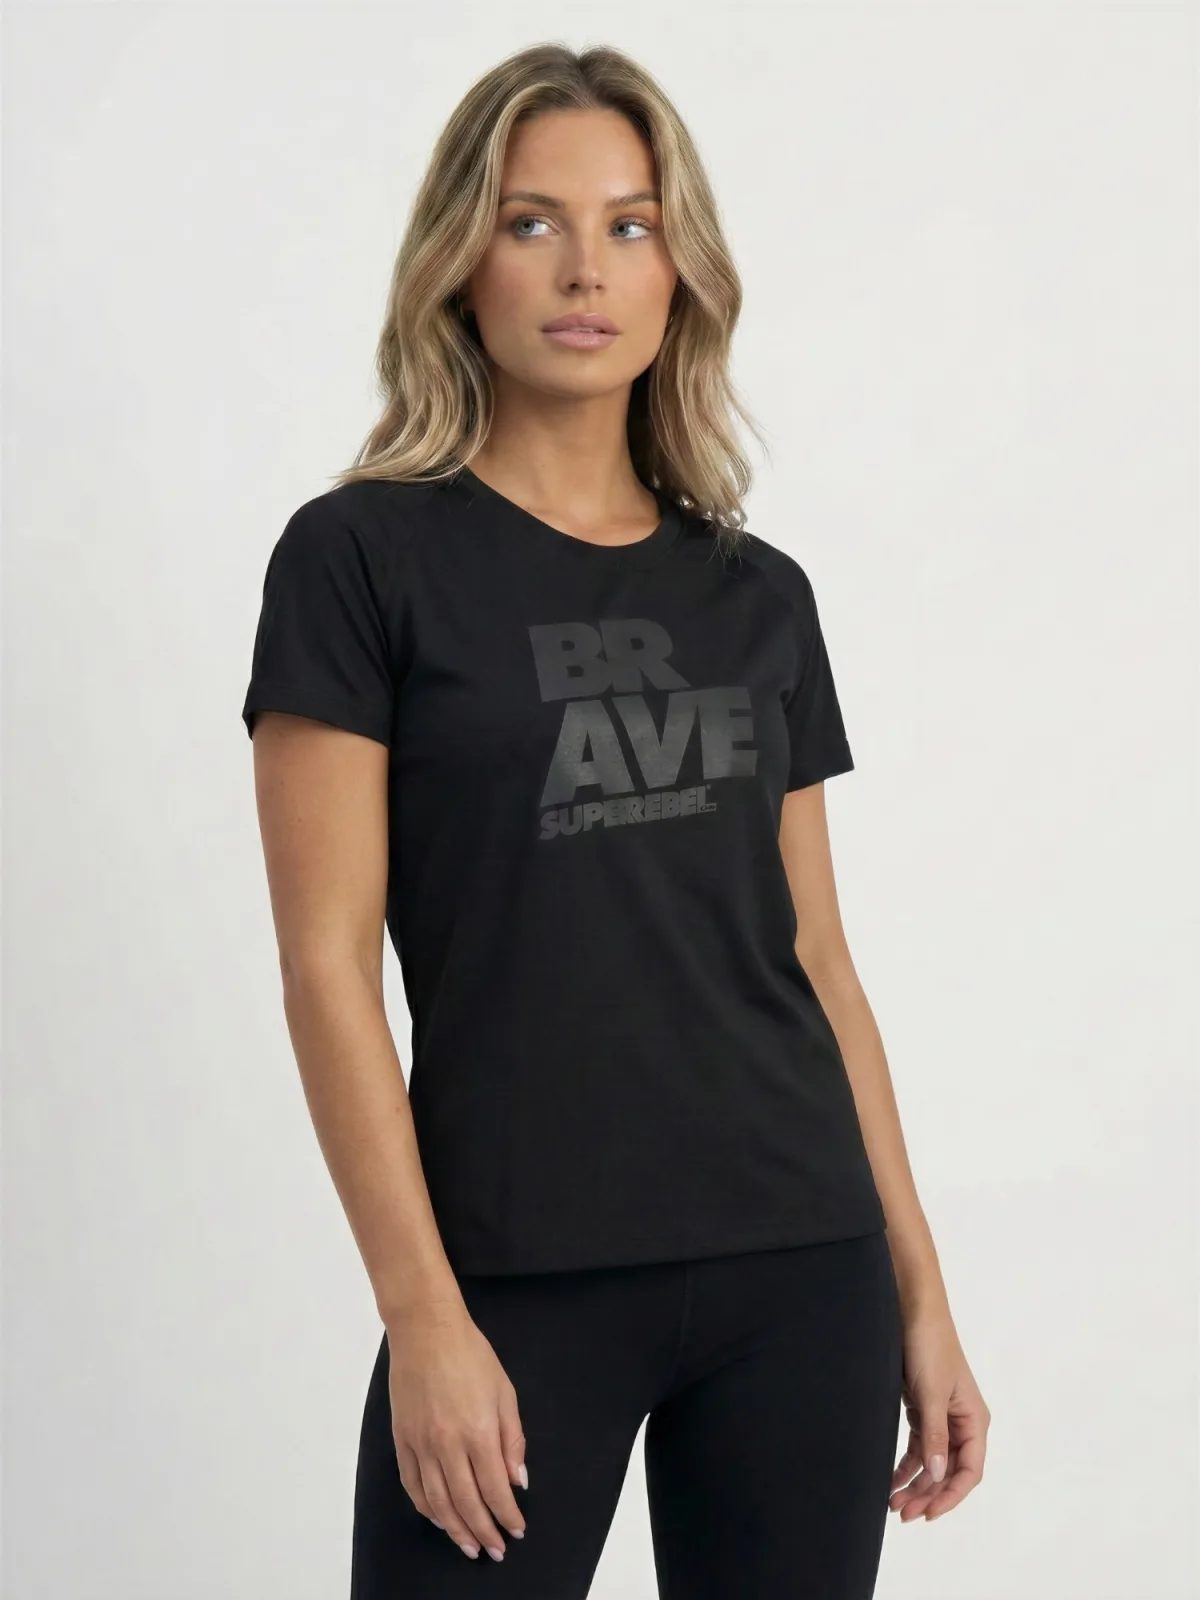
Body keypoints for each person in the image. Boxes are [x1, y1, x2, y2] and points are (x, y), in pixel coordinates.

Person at [240, 40, 990, 1600]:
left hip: (802, 1265)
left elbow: (819, 961)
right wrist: (421, 1314)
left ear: (677, 273)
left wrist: (921, 1291)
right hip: (515, 1282)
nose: (586, 268)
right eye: (533, 222)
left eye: (631, 225)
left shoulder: (757, 592)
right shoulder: (359, 561)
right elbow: (325, 971)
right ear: (461, 262)